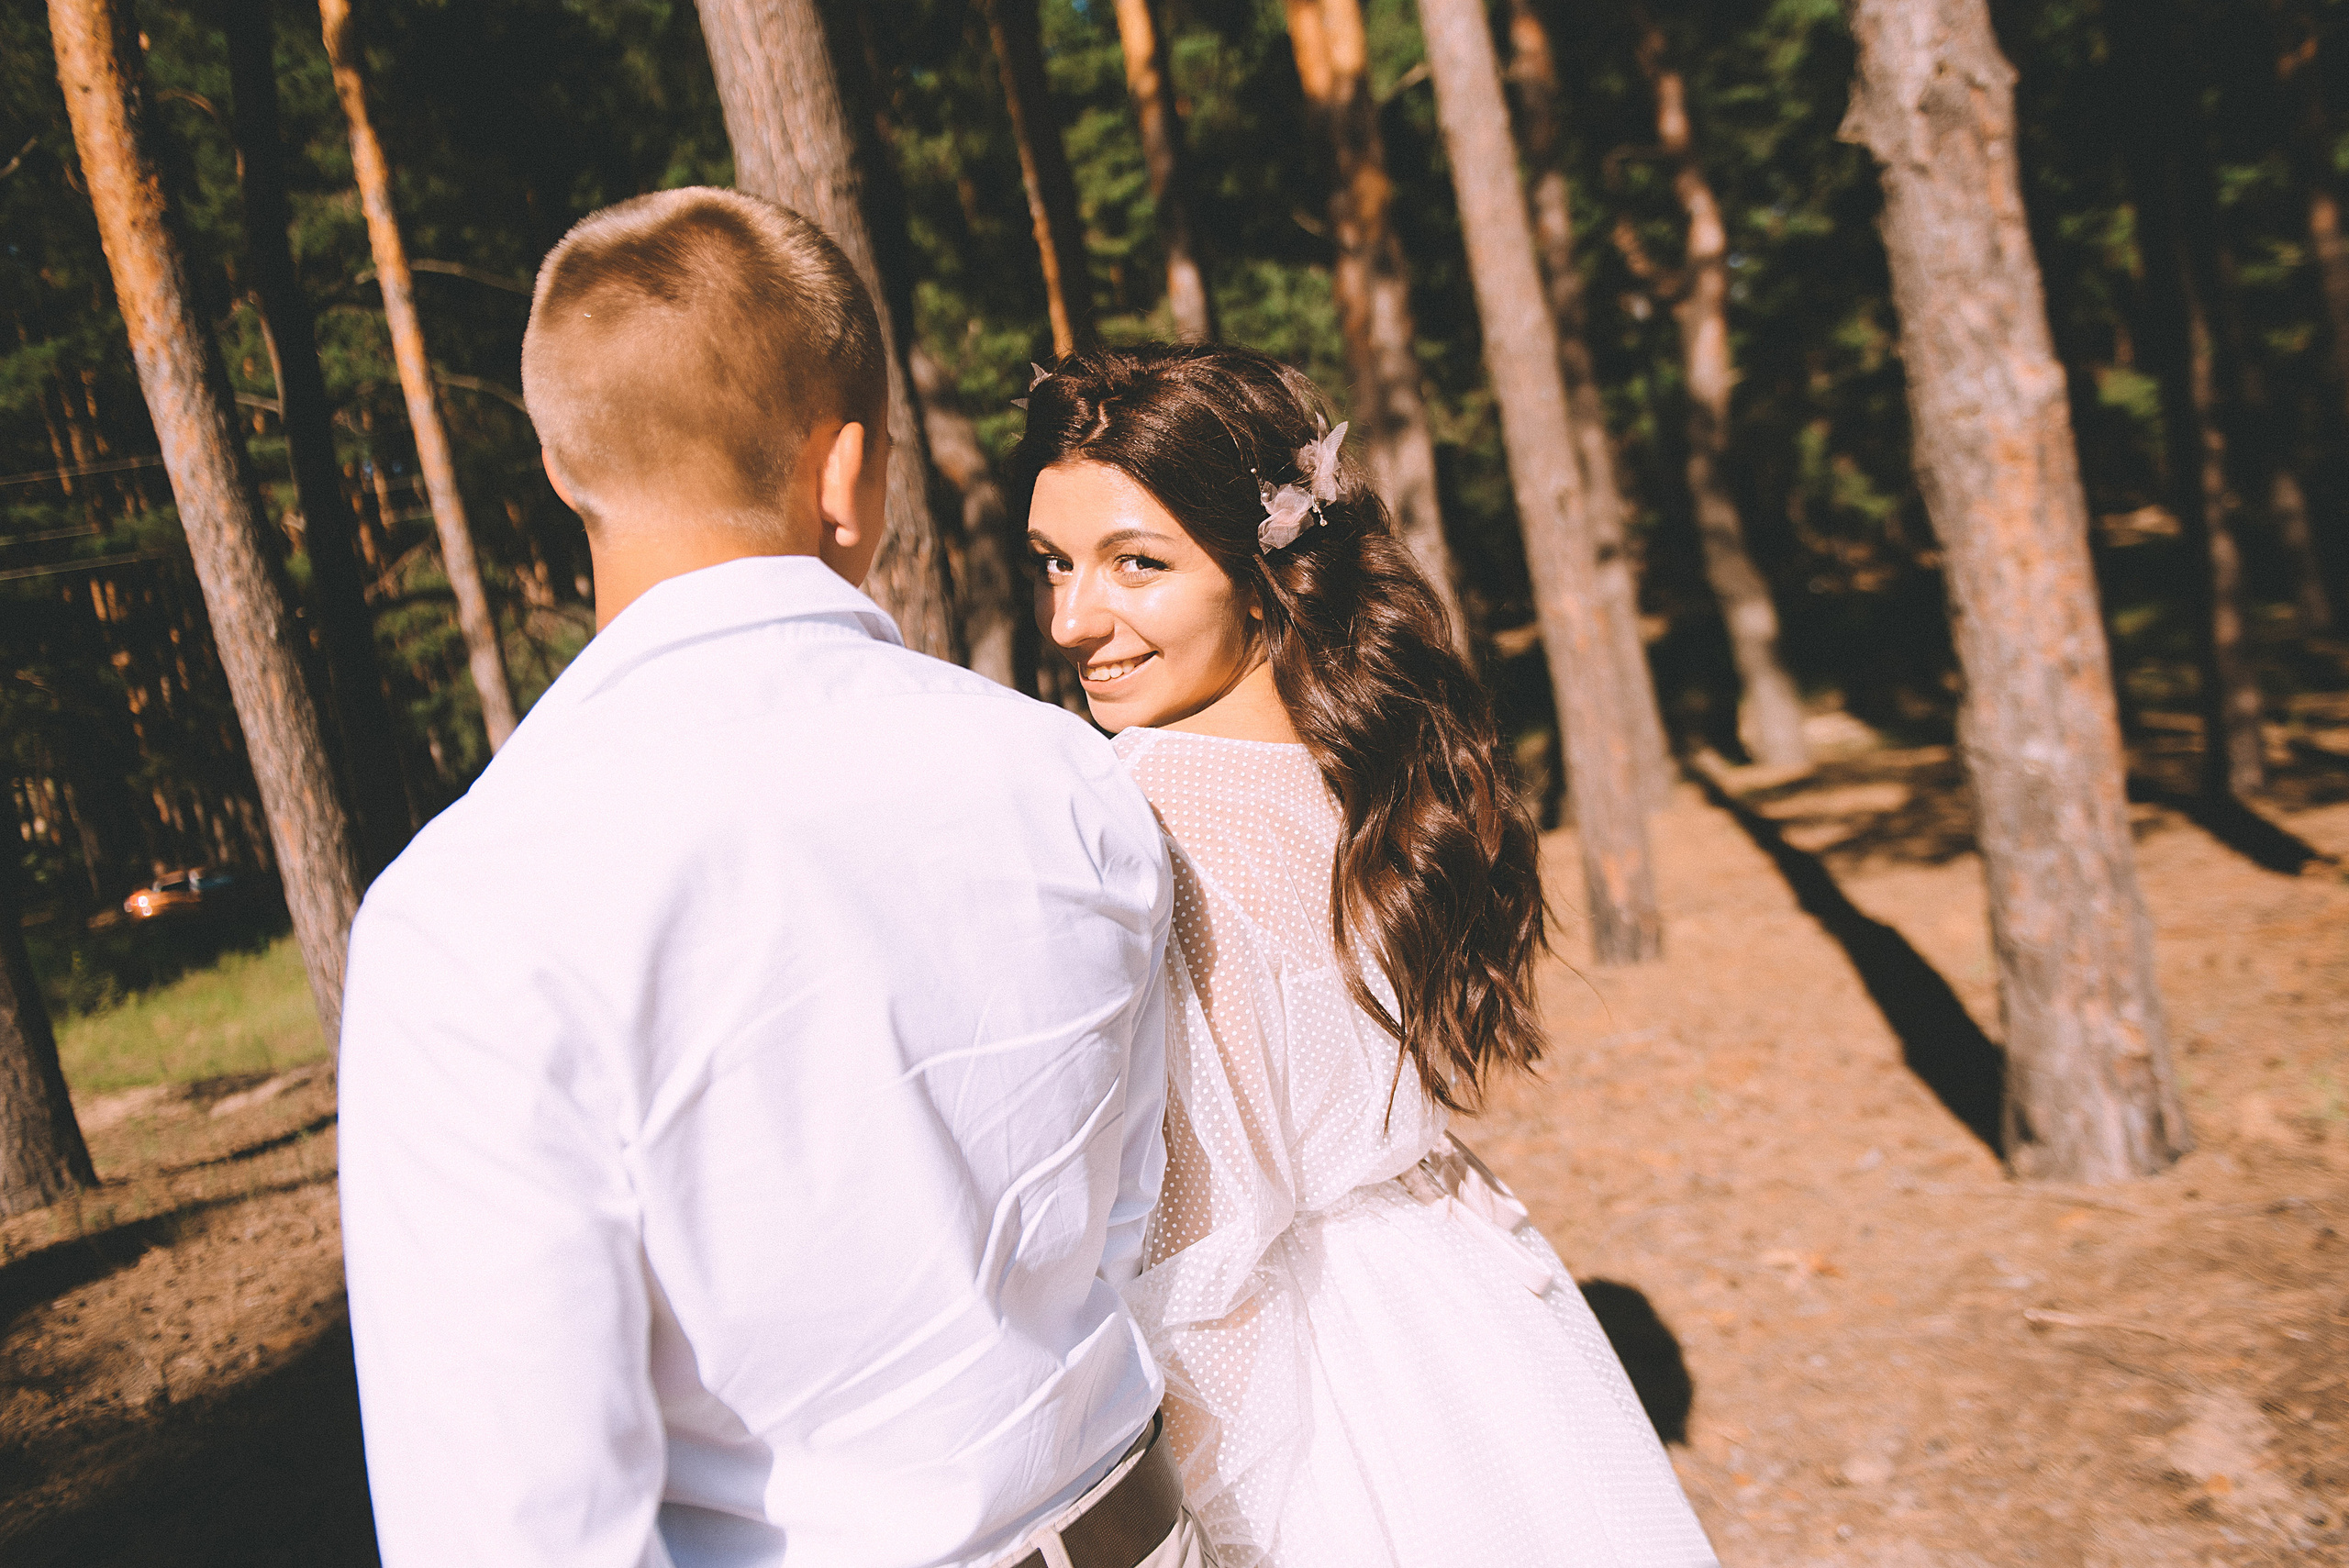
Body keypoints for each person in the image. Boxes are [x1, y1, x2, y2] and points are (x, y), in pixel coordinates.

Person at [338, 189, 1211, 1568]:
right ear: (850, 472)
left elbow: (516, 1524)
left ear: (562, 469)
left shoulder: (463, 916)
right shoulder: (1069, 776)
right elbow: (1123, 1217)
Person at [1014, 343, 1720, 1568]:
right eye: (1053, 564)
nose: (1074, 618)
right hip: (1462, 1318)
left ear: (1260, 572)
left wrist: (1200, 1536)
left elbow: (1207, 1256)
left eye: (1138, 563)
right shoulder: (1365, 761)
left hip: (1326, 1391)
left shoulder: (1143, 812)